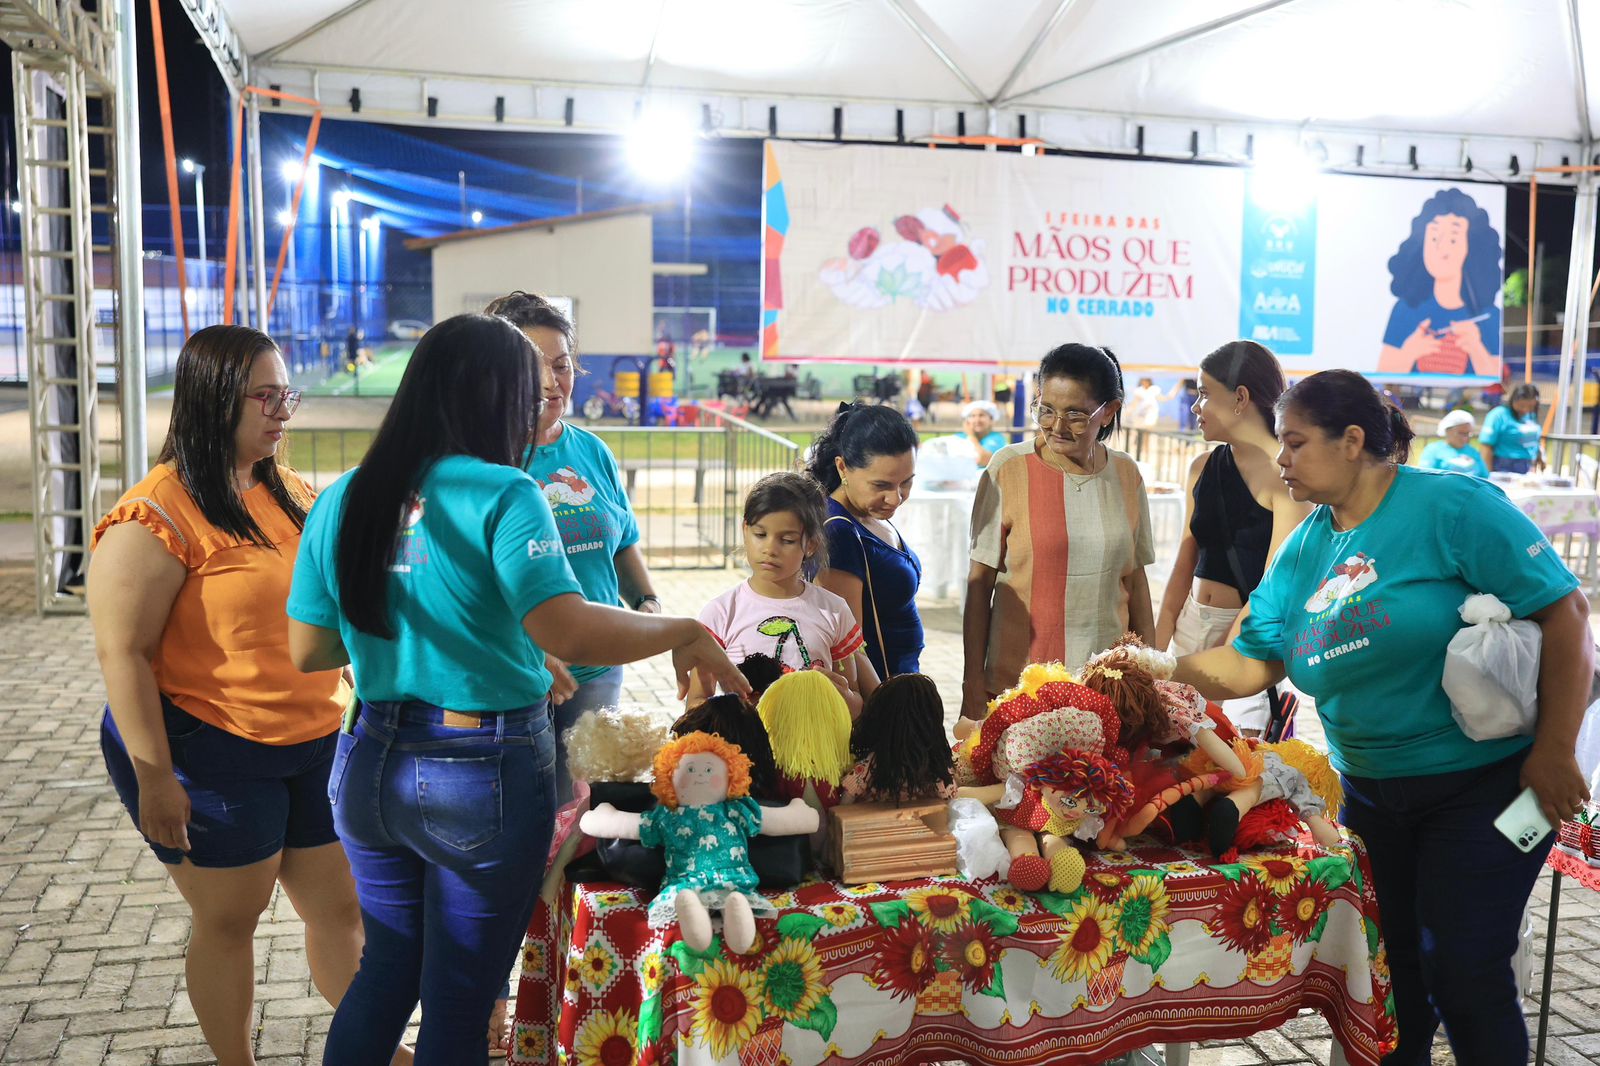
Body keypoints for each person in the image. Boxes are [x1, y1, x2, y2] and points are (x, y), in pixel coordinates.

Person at [285, 314, 748, 1064]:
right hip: (478, 771)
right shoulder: (504, 490)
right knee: (462, 999)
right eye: (527, 395)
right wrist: (682, 628)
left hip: (368, 762)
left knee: (385, 972)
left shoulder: (345, 496)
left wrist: (412, 628)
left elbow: (309, 647)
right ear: (491, 397)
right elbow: (567, 629)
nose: (539, 409)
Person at [1171, 369, 1591, 1066]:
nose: (1283, 462)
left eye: (1297, 444)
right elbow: (1251, 660)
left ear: (1353, 441)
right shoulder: (1308, 544)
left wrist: (1556, 748)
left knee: (1464, 965)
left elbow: (1567, 612)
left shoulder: (1450, 506)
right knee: (1391, 980)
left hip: (1492, 787)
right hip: (1372, 796)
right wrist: (1158, 675)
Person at [88, 326, 390, 1066]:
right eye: (265, 395)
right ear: (213, 398)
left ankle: (369, 1048)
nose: (282, 410)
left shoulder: (288, 491)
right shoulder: (156, 513)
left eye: (286, 393)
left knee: (340, 906)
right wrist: (156, 777)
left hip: (311, 737)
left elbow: (326, 606)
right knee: (231, 918)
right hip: (207, 746)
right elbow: (120, 652)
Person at [484, 291, 660, 804]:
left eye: (561, 365)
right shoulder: (484, 462)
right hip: (518, 675)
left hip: (597, 668)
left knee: (585, 813)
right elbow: (472, 582)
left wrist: (647, 603)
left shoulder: (590, 450)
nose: (549, 382)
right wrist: (531, 651)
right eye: (532, 366)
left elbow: (622, 539)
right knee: (523, 813)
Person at [963, 343, 1156, 720]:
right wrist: (972, 683)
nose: (1057, 426)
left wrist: (1149, 674)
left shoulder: (1126, 474)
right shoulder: (1009, 468)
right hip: (1020, 689)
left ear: (1109, 411)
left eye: (1076, 414)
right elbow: (978, 583)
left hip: (1108, 687)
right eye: (1045, 409)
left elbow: (1135, 582)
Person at [1155, 341, 1310, 737]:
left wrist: (1227, 651)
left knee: (1235, 759)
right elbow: (1185, 559)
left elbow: (1273, 586)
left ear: (1241, 397)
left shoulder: (1288, 475)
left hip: (1250, 637)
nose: (1195, 407)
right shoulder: (1201, 466)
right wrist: (1156, 649)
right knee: (1174, 752)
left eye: (1204, 394)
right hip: (1191, 625)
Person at [691, 472, 865, 714]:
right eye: (760, 535)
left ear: (811, 544)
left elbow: (857, 705)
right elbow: (696, 702)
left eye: (787, 540)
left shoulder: (834, 610)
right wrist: (733, 711)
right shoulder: (720, 613)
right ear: (745, 529)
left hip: (817, 749)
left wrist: (840, 695)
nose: (770, 549)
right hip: (744, 750)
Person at [811, 402, 923, 688]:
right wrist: (880, 711)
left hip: (901, 686)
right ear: (842, 467)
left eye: (906, 483)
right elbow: (849, 650)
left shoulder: (867, 514)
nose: (896, 498)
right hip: (880, 697)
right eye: (881, 486)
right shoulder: (837, 532)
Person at [1376, 187, 1504, 377]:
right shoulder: (1405, 310)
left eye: (1453, 239)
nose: (1441, 248)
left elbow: (1496, 379)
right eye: (1434, 237)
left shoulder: (1488, 315)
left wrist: (1476, 348)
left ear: (1471, 247)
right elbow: (1382, 372)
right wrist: (1409, 352)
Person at [1479, 382, 1545, 474]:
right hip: (1503, 468)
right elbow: (1486, 446)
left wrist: (1540, 455)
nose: (1525, 410)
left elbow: (1534, 441)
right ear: (1513, 400)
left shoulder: (1531, 416)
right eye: (1522, 406)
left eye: (1530, 407)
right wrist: (1488, 476)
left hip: (1527, 468)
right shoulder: (1498, 415)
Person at [1418, 409, 1490, 478]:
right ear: (1447, 431)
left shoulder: (1473, 452)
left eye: (1467, 433)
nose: (1465, 438)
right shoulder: (1433, 450)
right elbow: (1426, 476)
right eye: (1461, 433)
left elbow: (1484, 476)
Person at [949, 399, 1007, 466]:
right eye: (973, 416)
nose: (977, 420)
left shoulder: (996, 438)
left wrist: (971, 436)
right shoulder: (959, 437)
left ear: (991, 419)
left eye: (981, 415)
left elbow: (984, 460)